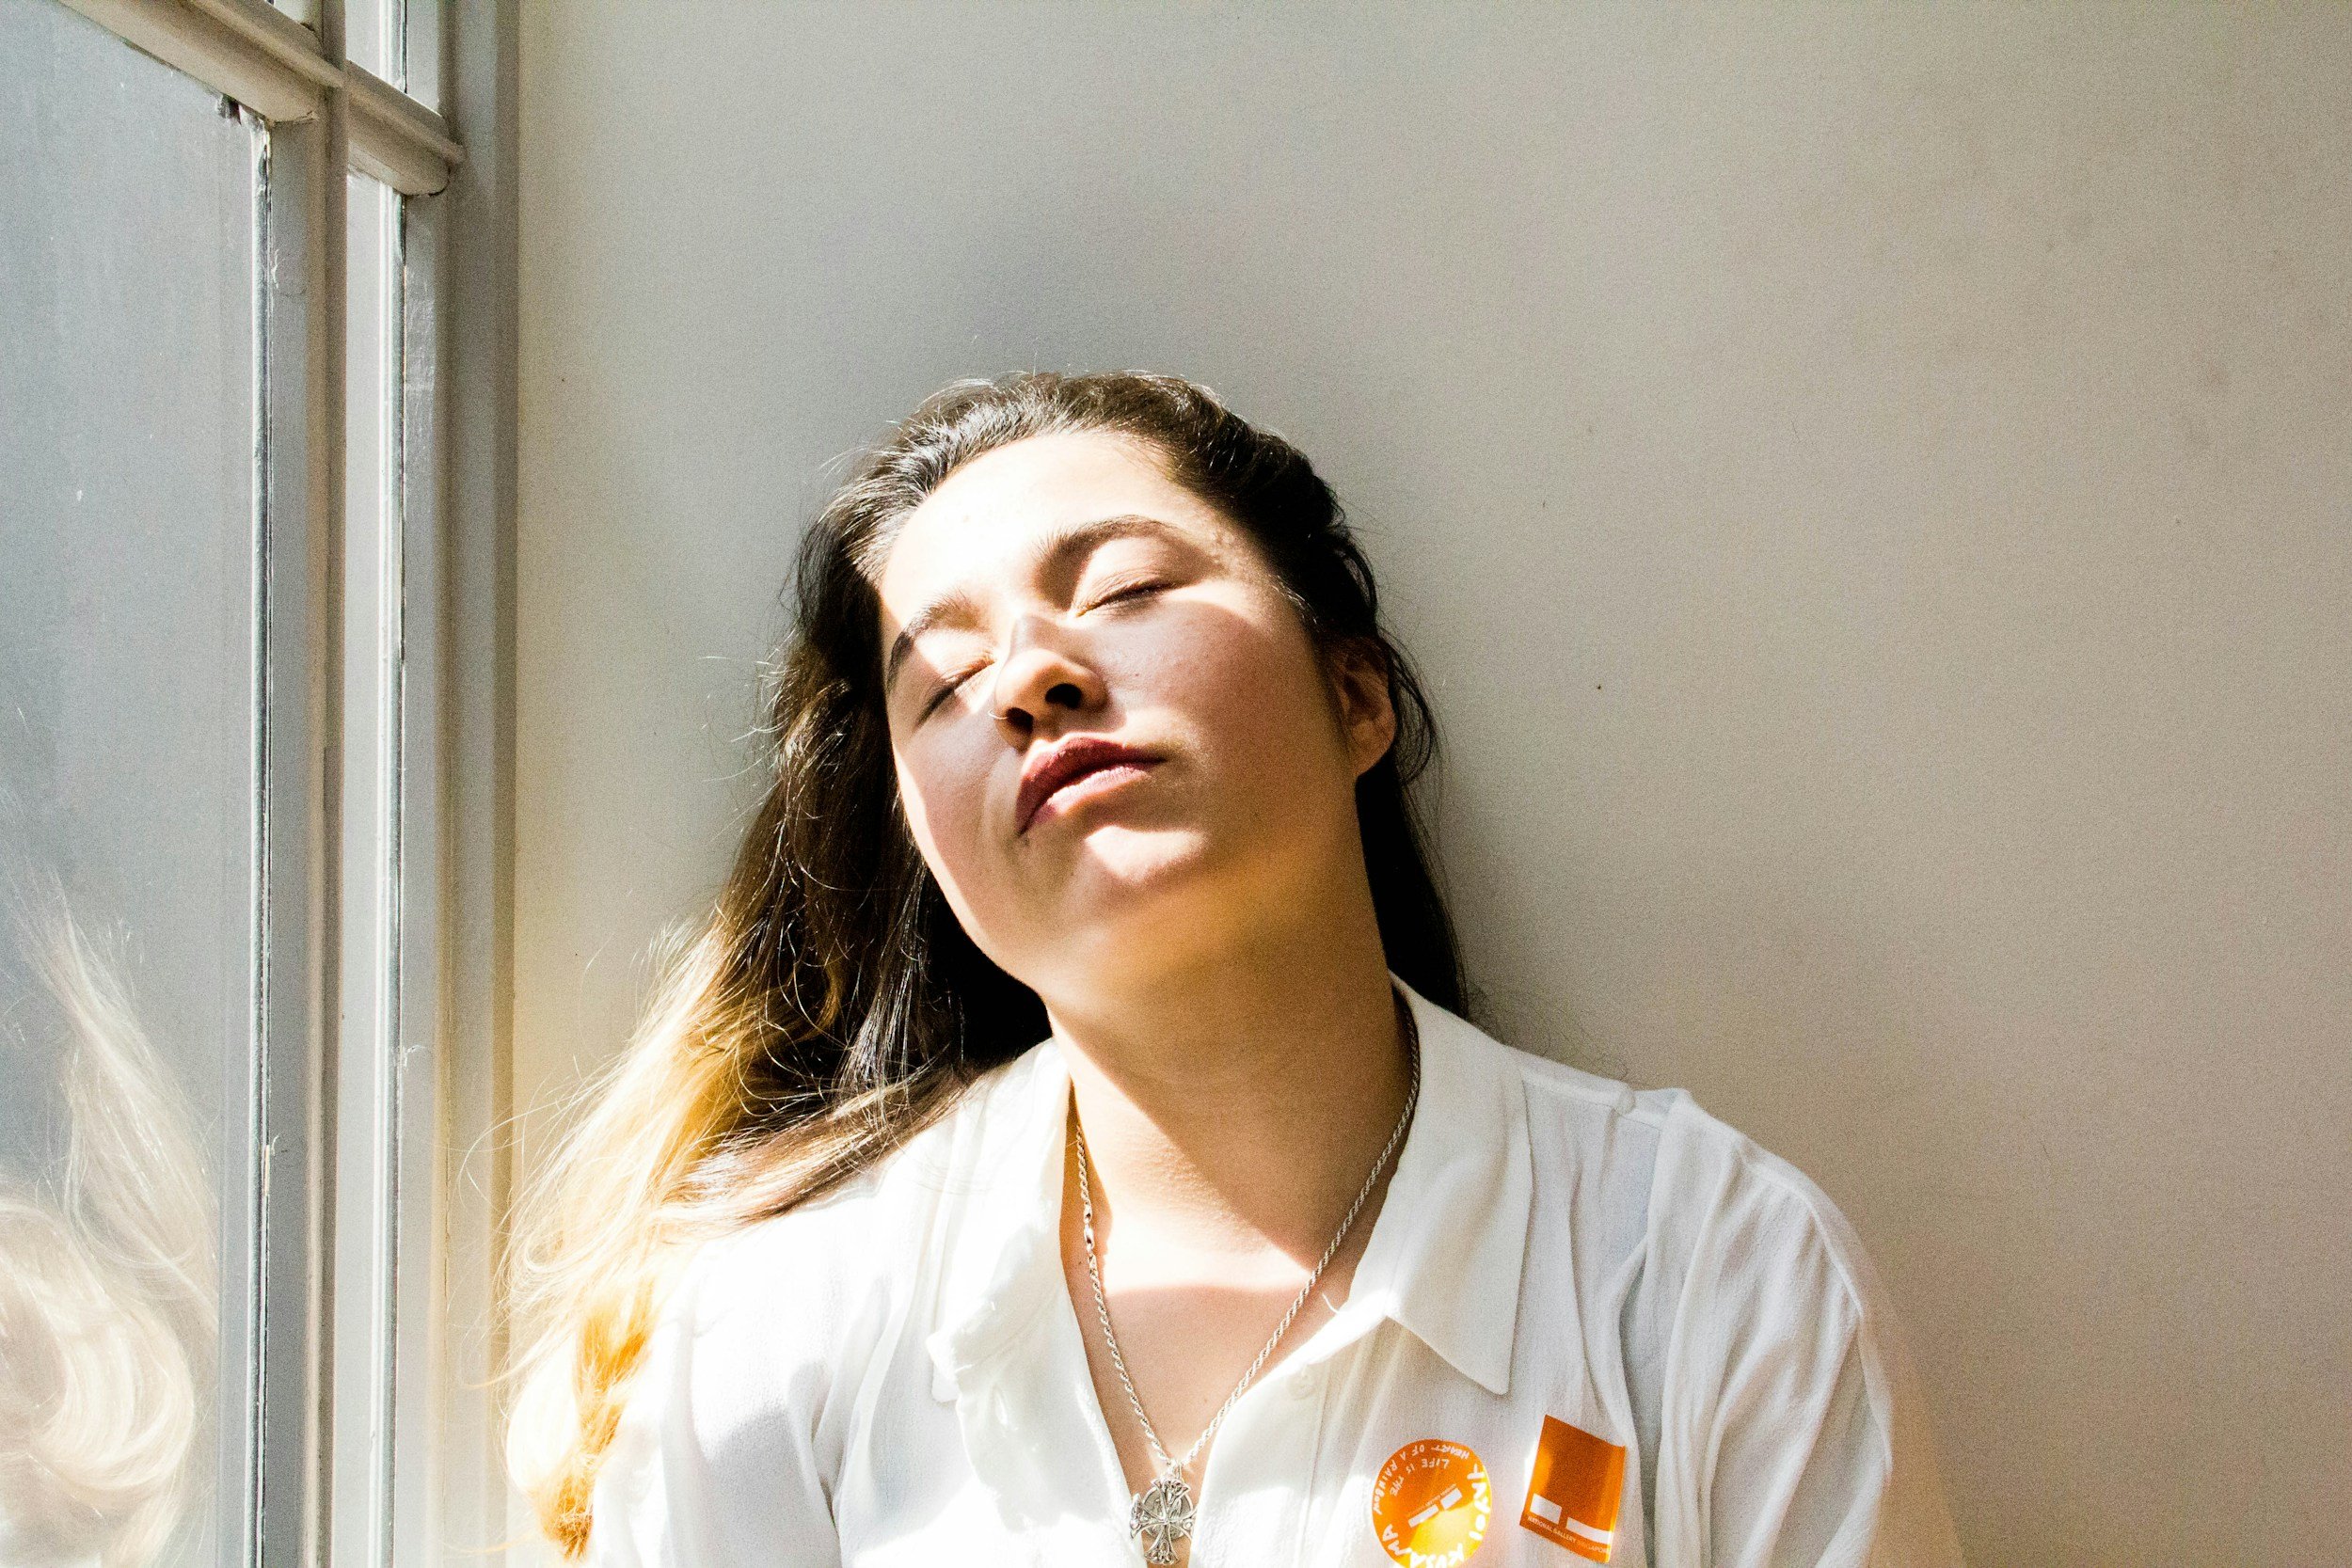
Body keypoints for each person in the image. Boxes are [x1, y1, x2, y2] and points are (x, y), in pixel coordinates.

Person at [505, 371, 1968, 1567]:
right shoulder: (778, 1336)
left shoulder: (1708, 1274)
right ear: (927, 849)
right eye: (945, 682)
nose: (1032, 677)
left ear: (1355, 696)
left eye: (1126, 589)